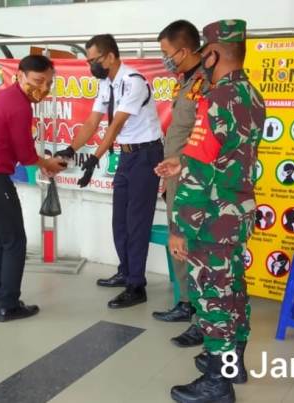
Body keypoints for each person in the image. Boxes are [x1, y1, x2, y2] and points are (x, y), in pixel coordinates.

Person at [156, 19, 264, 402]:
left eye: (205, 51)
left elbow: (203, 170)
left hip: (211, 218)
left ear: (215, 52)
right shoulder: (250, 94)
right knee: (233, 286)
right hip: (237, 211)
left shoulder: (216, 98)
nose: (202, 58)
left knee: (211, 295)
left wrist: (179, 226)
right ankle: (234, 361)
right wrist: (180, 162)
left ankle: (218, 384)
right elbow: (226, 156)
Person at [55, 34, 164, 309]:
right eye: (89, 60)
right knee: (120, 220)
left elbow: (115, 125)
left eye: (94, 60)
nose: (91, 65)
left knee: (137, 222)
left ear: (111, 56)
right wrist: (70, 149)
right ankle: (126, 271)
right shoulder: (107, 84)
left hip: (145, 156)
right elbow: (92, 122)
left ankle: (137, 286)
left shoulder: (134, 82)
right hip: (127, 158)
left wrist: (94, 158)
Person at [0, 55, 66, 323]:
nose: (43, 88)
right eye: (38, 81)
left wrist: (41, 162)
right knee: (15, 241)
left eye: (49, 83)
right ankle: (8, 305)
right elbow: (26, 154)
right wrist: (46, 163)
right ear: (20, 76)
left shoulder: (4, 98)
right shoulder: (19, 105)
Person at [152, 20, 206, 345]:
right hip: (175, 176)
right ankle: (186, 303)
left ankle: (203, 315)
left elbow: (205, 138)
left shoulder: (208, 85)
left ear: (184, 50)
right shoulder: (186, 82)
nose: (165, 59)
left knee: (195, 247)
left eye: (166, 53)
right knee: (178, 243)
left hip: (196, 180)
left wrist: (181, 163)